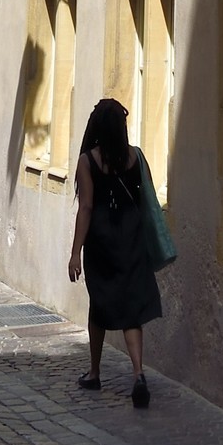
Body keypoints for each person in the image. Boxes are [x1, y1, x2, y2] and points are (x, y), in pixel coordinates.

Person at [68, 97, 160, 407]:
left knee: (100, 300)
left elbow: (87, 207)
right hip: (132, 237)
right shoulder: (136, 157)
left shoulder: (88, 161)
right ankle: (138, 373)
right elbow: (147, 196)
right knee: (131, 307)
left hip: (103, 238)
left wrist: (75, 252)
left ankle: (94, 372)